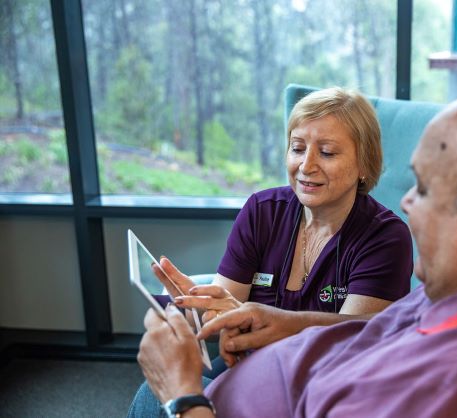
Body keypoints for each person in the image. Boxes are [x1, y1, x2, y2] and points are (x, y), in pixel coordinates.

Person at [131, 87, 457, 417]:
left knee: (147, 402)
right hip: (269, 372)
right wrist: (282, 321)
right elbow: (374, 329)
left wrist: (182, 398)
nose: (406, 202)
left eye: (424, 190)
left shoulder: (446, 385)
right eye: (297, 147)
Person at [148, 87, 413, 375]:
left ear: (364, 163)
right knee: (158, 393)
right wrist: (192, 306)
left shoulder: (385, 237)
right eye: (297, 148)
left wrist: (257, 320)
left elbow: (352, 344)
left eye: (326, 152)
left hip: (327, 382)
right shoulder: (262, 212)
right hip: (247, 364)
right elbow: (224, 311)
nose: (306, 166)